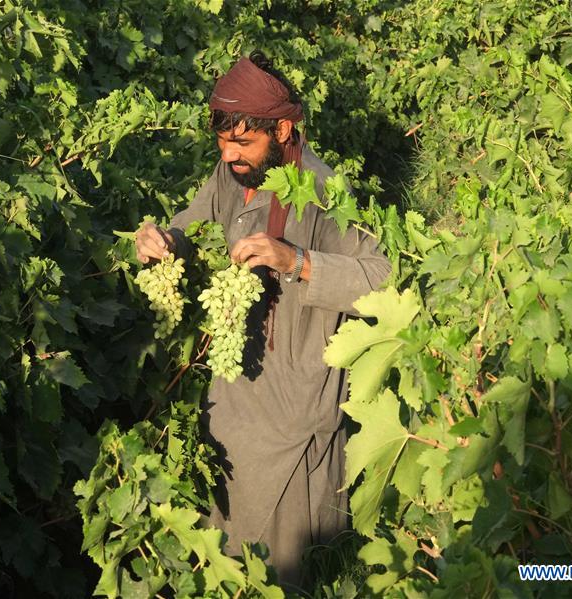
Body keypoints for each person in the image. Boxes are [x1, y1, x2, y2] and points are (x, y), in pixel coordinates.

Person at [134, 50, 391, 590]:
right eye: (223, 144)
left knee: (287, 573)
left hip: (296, 416)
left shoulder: (323, 192)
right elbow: (194, 223)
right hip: (233, 403)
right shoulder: (235, 174)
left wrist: (295, 261)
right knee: (226, 561)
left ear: (282, 129)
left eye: (242, 143)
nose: (230, 156)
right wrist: (162, 240)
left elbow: (380, 278)